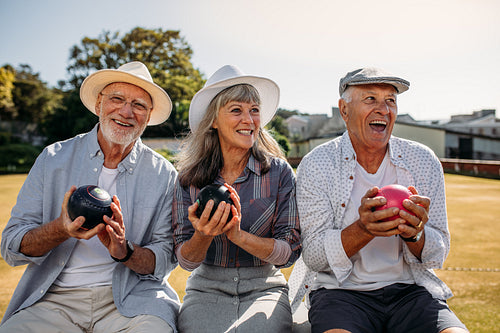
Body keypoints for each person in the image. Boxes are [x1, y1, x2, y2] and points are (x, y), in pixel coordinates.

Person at [1, 61, 180, 332]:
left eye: (139, 105)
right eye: (117, 99)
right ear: (99, 104)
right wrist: (59, 229)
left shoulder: (164, 174)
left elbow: (165, 258)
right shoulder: (53, 158)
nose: (126, 111)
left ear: (148, 115)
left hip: (134, 299)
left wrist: (124, 250)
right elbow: (12, 247)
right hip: (54, 300)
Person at [288, 67, 468, 333]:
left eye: (390, 100)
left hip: (411, 292)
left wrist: (414, 235)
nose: (383, 109)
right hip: (341, 294)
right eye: (370, 99)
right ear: (344, 110)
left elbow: (437, 253)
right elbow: (313, 256)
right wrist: (363, 230)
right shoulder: (317, 164)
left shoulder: (423, 160)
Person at [172, 65, 301, 332]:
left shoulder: (278, 173)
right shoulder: (188, 179)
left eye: (254, 110)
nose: (249, 119)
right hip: (206, 287)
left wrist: (238, 236)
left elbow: (289, 253)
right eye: (236, 110)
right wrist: (204, 234)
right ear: (214, 121)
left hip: (264, 286)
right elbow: (185, 261)